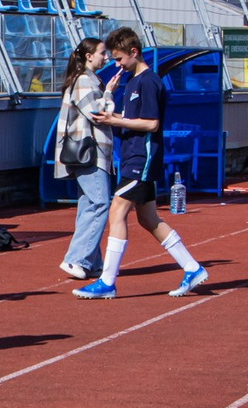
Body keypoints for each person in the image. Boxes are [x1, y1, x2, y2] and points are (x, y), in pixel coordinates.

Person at [73, 28, 208, 299]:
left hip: (141, 158)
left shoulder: (149, 81)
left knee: (116, 212)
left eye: (120, 59)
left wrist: (115, 121)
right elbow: (133, 118)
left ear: (134, 52)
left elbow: (151, 123)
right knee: (148, 219)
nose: (116, 65)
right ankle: (192, 268)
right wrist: (114, 115)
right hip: (132, 156)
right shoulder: (133, 82)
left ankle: (107, 281)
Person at [51, 38, 114, 281]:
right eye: (102, 53)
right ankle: (76, 259)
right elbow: (98, 114)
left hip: (90, 152)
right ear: (88, 56)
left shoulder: (84, 79)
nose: (105, 57)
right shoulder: (85, 80)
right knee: (99, 204)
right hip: (90, 151)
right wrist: (109, 92)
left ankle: (92, 262)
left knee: (88, 205)